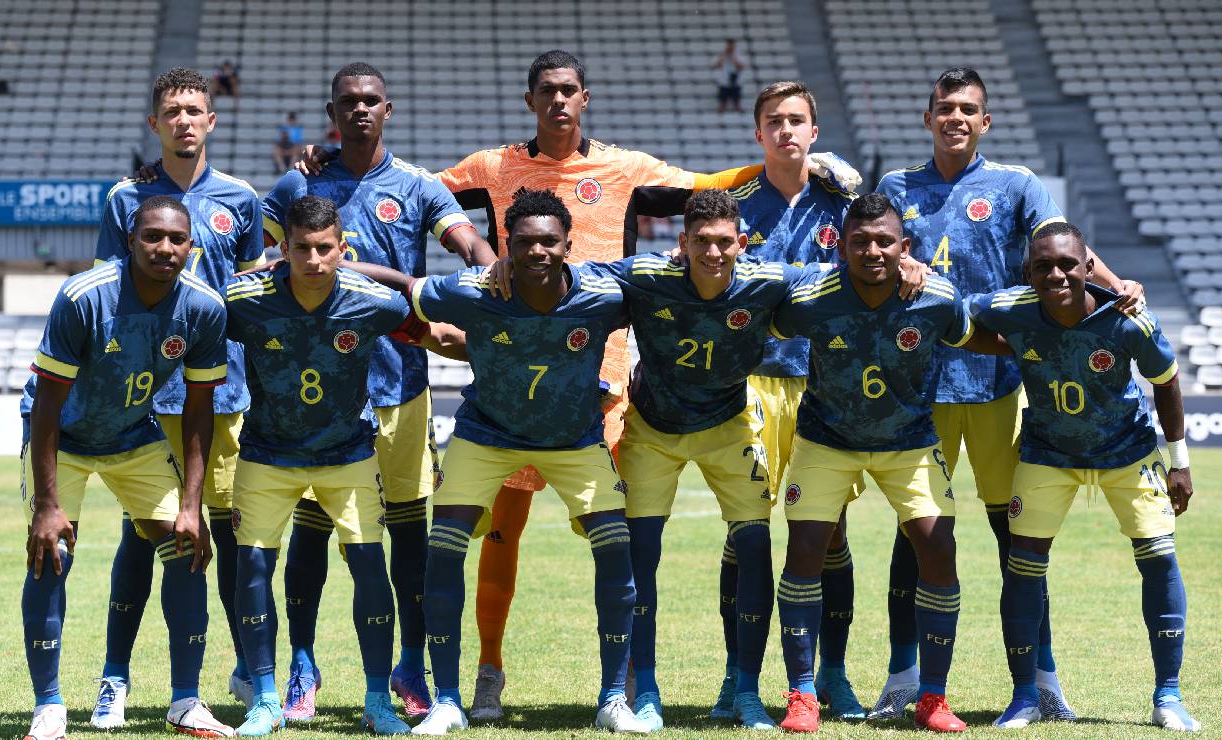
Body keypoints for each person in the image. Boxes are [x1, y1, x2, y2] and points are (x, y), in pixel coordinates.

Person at [289, 49, 863, 723]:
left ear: (584, 98)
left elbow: (702, 187)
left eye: (569, 91)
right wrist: (322, 162)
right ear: (530, 99)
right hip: (510, 380)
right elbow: (402, 193)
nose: (559, 101)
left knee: (615, 540)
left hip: (606, 385)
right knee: (499, 536)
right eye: (547, 92)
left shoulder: (624, 168)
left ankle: (618, 689)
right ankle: (488, 674)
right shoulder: (491, 168)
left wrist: (785, 169)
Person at [871, 67, 1142, 721]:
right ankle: (902, 679)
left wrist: (1117, 288)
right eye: (944, 108)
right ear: (928, 117)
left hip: (997, 386)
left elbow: (1066, 251)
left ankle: (1043, 682)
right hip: (921, 388)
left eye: (968, 109)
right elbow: (863, 261)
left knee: (1017, 541)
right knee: (915, 539)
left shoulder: (1016, 184)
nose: (955, 117)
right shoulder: (895, 188)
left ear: (984, 122)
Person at [260, 61, 496, 721]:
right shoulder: (297, 183)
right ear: (331, 112)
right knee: (311, 532)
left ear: (387, 108)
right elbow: (264, 262)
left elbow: (467, 240)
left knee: (407, 533)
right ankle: (302, 665)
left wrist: (492, 271)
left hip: (400, 387)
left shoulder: (417, 187)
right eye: (348, 103)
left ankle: (411, 664)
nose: (360, 111)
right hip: (318, 394)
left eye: (371, 101)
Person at [365, 188, 642, 735]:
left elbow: (668, 289)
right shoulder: (473, 290)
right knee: (442, 550)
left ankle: (614, 697)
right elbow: (404, 288)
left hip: (574, 442)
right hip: (487, 437)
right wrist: (334, 263)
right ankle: (447, 698)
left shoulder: (604, 293)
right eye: (523, 242)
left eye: (548, 241)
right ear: (505, 247)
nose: (537, 250)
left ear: (568, 244)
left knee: (616, 552)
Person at [770, 192, 1008, 733]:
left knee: (937, 546)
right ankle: (802, 693)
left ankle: (933, 696)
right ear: (842, 248)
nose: (872, 250)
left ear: (906, 247)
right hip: (827, 438)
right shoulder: (812, 297)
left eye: (884, 241)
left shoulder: (937, 297)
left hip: (909, 441)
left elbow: (981, 336)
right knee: (806, 547)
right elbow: (761, 316)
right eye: (859, 241)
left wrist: (1045, 345)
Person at [595, 189, 822, 731]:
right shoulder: (648, 275)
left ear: (741, 243)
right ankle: (645, 689)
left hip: (729, 427)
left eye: (725, 242)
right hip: (654, 429)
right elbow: (579, 273)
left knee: (754, 547)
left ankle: (745, 689)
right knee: (640, 559)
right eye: (702, 242)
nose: (714, 253)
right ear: (682, 244)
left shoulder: (765, 280)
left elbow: (829, 275)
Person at [225, 195, 451, 736]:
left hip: (348, 455)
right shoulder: (244, 299)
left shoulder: (371, 301)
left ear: (342, 249)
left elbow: (435, 334)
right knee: (252, 569)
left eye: (325, 248)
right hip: (266, 455)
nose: (314, 259)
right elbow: (187, 329)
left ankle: (377, 700)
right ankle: (264, 697)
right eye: (301, 247)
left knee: (370, 569)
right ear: (283, 250)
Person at [966, 222, 1199, 732]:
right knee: (1023, 567)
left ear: (1088, 267)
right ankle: (1025, 694)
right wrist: (1010, 345)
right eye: (1044, 266)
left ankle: (1168, 695)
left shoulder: (1128, 319)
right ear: (1028, 273)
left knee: (1159, 559)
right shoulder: (1011, 310)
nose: (1057, 274)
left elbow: (1167, 379)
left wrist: (1178, 461)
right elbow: (960, 322)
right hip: (1048, 455)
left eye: (1068, 263)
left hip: (1127, 452)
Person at [20, 196, 234, 740]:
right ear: (131, 241)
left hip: (132, 435)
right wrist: (47, 507)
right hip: (61, 434)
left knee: (187, 545)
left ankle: (185, 701)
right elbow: (47, 405)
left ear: (193, 246)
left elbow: (198, 410)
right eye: (152, 237)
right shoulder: (83, 296)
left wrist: (191, 506)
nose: (165, 248)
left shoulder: (205, 308)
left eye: (176, 239)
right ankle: (49, 707)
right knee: (53, 551)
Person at [93, 67, 265, 727]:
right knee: (143, 539)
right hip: (148, 400)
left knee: (222, 532)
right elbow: (108, 292)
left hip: (226, 396)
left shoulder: (242, 200)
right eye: (174, 111)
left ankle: (247, 670)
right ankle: (115, 677)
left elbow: (251, 299)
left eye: (196, 109)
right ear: (155, 124)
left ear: (212, 121)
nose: (185, 120)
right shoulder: (125, 199)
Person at [708, 80, 874, 722]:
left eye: (796, 120)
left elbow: (883, 245)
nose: (785, 130)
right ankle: (737, 677)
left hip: (826, 383)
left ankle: (831, 673)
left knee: (828, 532)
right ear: (758, 134)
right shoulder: (734, 204)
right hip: (748, 382)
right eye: (774, 120)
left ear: (814, 132)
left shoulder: (842, 201)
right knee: (746, 531)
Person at [713, 39, 745, 113]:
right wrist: (723, 56)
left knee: (737, 103)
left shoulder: (739, 55)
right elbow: (718, 66)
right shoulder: (722, 55)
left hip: (736, 81)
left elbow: (740, 67)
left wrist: (732, 57)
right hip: (724, 81)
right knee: (722, 103)